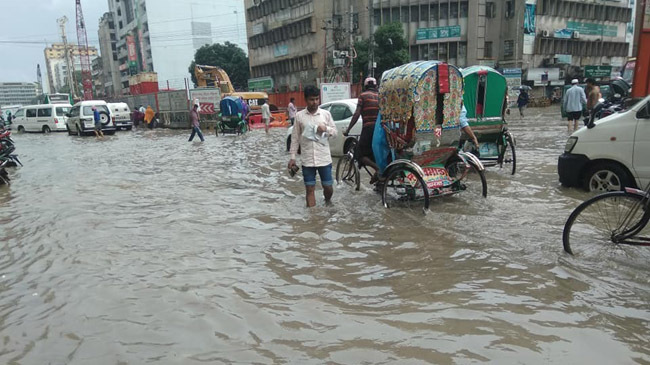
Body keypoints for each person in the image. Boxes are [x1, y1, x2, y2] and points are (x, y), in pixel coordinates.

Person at [288, 85, 337, 207]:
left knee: (328, 187)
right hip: (307, 160)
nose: (314, 102)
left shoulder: (326, 114)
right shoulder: (299, 116)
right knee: (310, 189)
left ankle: (327, 201)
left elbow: (335, 133)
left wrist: (325, 128)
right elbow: (295, 138)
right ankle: (313, 218)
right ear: (305, 99)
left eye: (316, 99)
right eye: (311, 99)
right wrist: (293, 157)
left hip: (324, 158)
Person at [344, 77, 380, 183]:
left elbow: (356, 114)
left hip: (368, 128)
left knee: (360, 155)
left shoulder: (363, 96)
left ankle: (378, 170)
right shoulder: (380, 96)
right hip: (379, 130)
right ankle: (379, 177)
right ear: (376, 86)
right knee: (374, 154)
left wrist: (348, 129)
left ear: (365, 86)